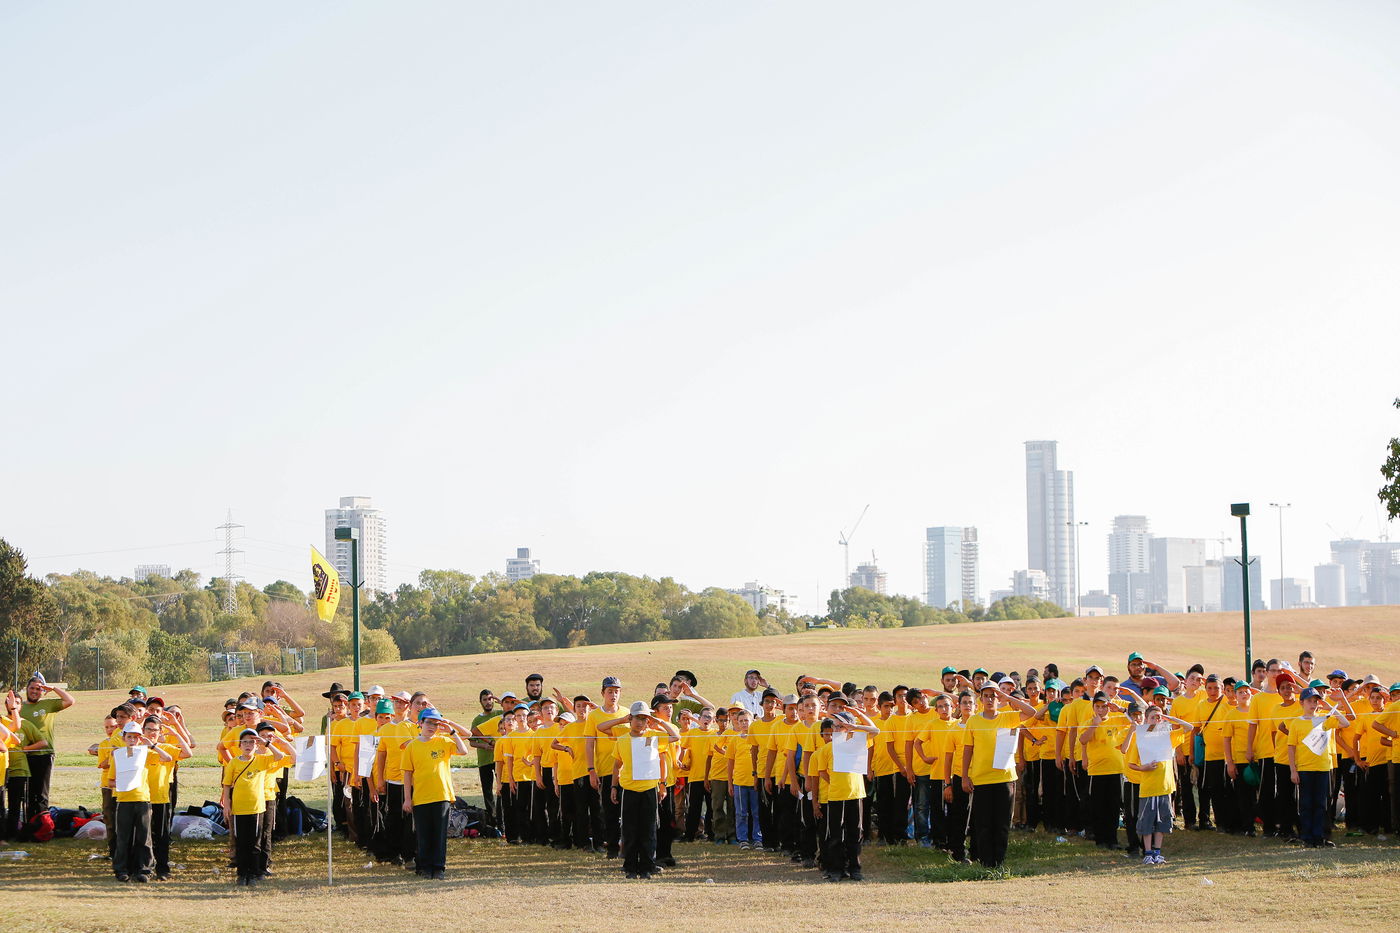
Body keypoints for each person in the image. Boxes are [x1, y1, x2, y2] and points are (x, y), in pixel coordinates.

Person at [961, 678, 1037, 869]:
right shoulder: (974, 721)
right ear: (980, 699)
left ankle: (999, 861)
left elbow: (1031, 712)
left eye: (993, 696)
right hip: (982, 778)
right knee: (984, 823)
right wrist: (964, 775)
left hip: (1005, 779)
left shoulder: (1008, 716)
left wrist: (1006, 696)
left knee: (1002, 823)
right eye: (986, 696)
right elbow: (968, 750)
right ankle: (986, 861)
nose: (989, 699)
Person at [610, 700, 679, 879]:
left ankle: (647, 866)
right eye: (637, 718)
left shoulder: (655, 736)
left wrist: (660, 722)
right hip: (629, 790)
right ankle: (630, 867)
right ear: (630, 719)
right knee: (630, 830)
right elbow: (617, 765)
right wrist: (614, 787)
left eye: (644, 718)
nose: (640, 722)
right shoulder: (622, 739)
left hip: (649, 789)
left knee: (649, 830)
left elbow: (675, 736)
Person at [812, 706, 880, 882]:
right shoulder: (827, 749)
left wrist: (857, 719)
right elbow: (822, 772)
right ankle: (836, 869)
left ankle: (854, 868)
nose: (835, 729)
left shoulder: (859, 741)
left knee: (855, 833)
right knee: (836, 834)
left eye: (839, 725)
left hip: (856, 794)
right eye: (834, 726)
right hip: (835, 796)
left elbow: (875, 730)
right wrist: (835, 783)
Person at [400, 707, 469, 879]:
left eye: (436, 723)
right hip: (421, 797)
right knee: (423, 834)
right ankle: (424, 867)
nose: (432, 726)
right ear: (420, 723)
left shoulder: (443, 741)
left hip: (441, 796)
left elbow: (463, 750)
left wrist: (451, 730)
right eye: (429, 722)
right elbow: (407, 774)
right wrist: (407, 799)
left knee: (439, 835)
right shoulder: (412, 746)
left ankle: (438, 868)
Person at [1126, 704, 1193, 865]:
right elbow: (1131, 763)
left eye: (1158, 717)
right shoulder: (1140, 738)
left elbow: (1189, 727)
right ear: (1146, 719)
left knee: (1162, 822)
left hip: (1165, 786)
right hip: (1149, 788)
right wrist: (1144, 767)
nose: (1156, 720)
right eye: (1153, 717)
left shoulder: (1168, 736)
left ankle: (1157, 852)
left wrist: (1169, 719)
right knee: (1147, 822)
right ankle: (1147, 853)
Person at [1287, 686, 1353, 848]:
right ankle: (1307, 836)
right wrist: (1293, 770)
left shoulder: (1325, 718)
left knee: (1321, 804)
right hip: (1305, 769)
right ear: (1302, 702)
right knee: (1306, 803)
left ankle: (1319, 836)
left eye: (1315, 701)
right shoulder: (1296, 723)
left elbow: (1346, 722)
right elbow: (1291, 747)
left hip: (1323, 768)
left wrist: (1330, 707)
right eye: (1309, 701)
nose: (1313, 704)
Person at [107, 721, 172, 883]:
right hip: (124, 800)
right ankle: (122, 869)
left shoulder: (146, 752)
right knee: (123, 837)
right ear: (124, 738)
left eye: (136, 737)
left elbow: (167, 757)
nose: (132, 740)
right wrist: (123, 784)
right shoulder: (118, 755)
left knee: (144, 837)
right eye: (129, 737)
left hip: (143, 799)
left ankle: (144, 869)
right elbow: (111, 781)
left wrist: (152, 745)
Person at [142, 713, 191, 881]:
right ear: (143, 730)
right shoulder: (137, 748)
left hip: (161, 798)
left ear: (160, 731)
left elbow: (187, 752)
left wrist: (175, 733)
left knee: (161, 835)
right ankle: (145, 868)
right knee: (144, 835)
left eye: (155, 730)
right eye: (148, 729)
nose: (151, 733)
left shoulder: (166, 748)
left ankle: (162, 869)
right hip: (141, 797)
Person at [1079, 690, 1128, 849]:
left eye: (1104, 706)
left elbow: (1135, 720)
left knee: (1113, 806)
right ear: (1093, 708)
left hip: (1115, 769)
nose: (1101, 710)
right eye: (1098, 707)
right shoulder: (1088, 722)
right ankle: (1100, 839)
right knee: (1098, 806)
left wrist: (1120, 709)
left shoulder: (1117, 719)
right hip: (1097, 771)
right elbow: (1083, 740)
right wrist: (1094, 725)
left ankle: (1112, 839)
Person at [19, 674, 73, 816]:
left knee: (42, 793)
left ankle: (43, 824)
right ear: (26, 689)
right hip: (26, 754)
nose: (35, 691)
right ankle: (30, 823)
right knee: (28, 793)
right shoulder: (20, 707)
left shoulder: (48, 704)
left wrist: (54, 688)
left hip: (45, 754)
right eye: (32, 688)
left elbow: (70, 700)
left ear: (43, 691)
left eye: (38, 689)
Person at [585, 676, 627, 858]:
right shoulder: (594, 716)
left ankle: (627, 847)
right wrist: (591, 770)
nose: (613, 695)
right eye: (610, 691)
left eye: (616, 691)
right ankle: (611, 848)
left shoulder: (626, 713)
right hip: (605, 770)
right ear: (603, 693)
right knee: (610, 812)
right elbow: (589, 744)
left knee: (627, 812)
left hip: (627, 771)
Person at [2, 689, 45, 841]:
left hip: (19, 769)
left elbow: (43, 742)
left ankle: (13, 835)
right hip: (2, 769)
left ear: (20, 707)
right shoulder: (1, 720)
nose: (13, 704)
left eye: (17, 703)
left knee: (15, 805)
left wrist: (25, 749)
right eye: (9, 701)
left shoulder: (26, 724)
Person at [468, 689, 503, 827]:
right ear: (480, 701)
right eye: (485, 699)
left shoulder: (500, 714)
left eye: (490, 699)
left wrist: (501, 702)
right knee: (487, 791)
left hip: (500, 760)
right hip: (484, 760)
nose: (488, 702)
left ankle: (502, 819)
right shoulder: (477, 719)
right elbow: (471, 741)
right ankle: (492, 820)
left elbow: (513, 712)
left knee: (501, 789)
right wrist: (485, 746)